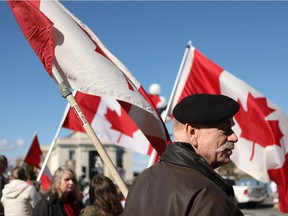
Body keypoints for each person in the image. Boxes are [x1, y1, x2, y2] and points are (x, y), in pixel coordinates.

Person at [123, 94, 244, 216]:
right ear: (192, 132)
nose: (234, 137)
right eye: (224, 129)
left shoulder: (142, 179)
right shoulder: (207, 195)